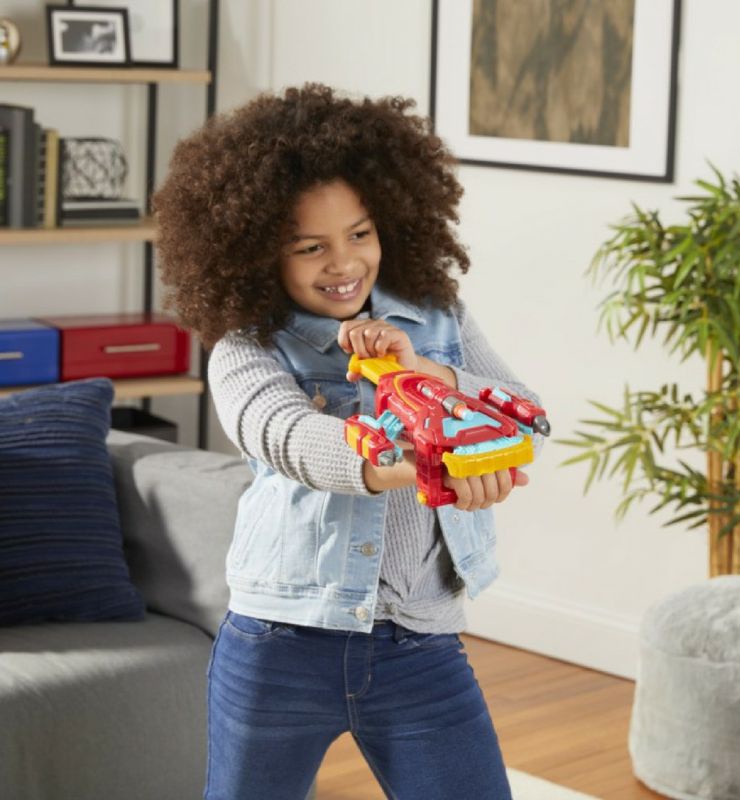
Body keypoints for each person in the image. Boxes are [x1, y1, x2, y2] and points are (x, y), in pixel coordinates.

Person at [153, 83, 545, 800]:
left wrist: (422, 373)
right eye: (311, 247)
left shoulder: (438, 318)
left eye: (360, 234)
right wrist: (431, 463)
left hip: (419, 639)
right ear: (254, 252)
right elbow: (296, 441)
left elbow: (528, 421)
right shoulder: (245, 349)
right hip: (278, 641)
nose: (344, 263)